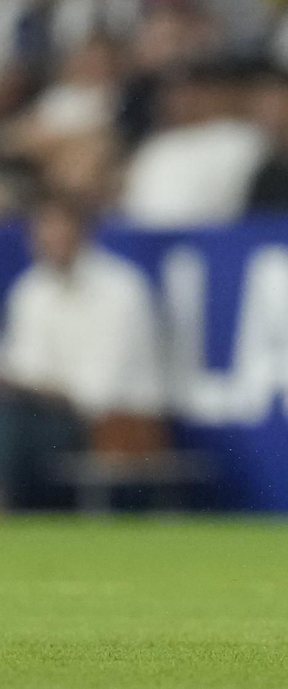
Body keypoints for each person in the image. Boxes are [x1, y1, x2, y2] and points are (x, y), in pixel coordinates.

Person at [0, 193, 166, 509]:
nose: (50, 238)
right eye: (42, 230)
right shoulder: (31, 290)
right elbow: (23, 367)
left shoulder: (122, 289)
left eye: (58, 228)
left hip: (114, 422)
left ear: (83, 232)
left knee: (9, 422)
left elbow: (98, 392)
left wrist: (39, 387)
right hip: (38, 417)